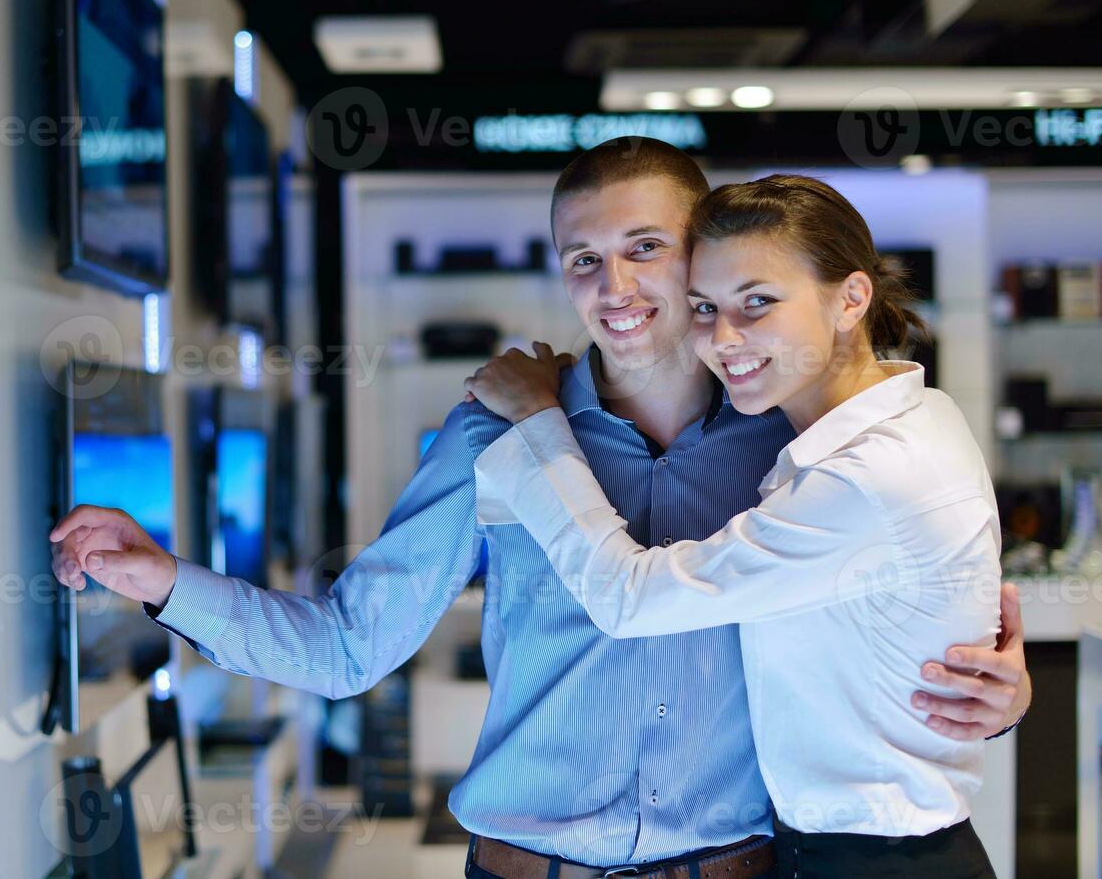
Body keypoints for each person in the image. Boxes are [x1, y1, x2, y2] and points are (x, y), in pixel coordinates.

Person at [50, 139, 1030, 879]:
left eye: (647, 248)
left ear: (707, 255)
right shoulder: (486, 435)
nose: (614, 287)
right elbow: (347, 647)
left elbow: (882, 635)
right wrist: (165, 580)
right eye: (581, 258)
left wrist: (998, 695)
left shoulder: (794, 441)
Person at [464, 174, 1005, 877]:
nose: (723, 338)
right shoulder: (903, 418)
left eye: (758, 303)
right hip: (822, 851)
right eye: (704, 306)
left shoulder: (868, 475)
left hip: (875, 861)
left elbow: (628, 598)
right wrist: (999, 686)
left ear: (850, 298)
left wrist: (539, 425)